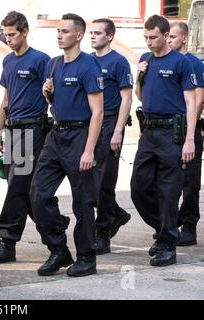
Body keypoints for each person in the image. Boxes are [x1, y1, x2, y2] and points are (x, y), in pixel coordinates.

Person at [30, 13, 104, 277]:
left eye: (64, 31)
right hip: (56, 134)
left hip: (80, 136)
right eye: (58, 31)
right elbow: (56, 102)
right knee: (37, 194)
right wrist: (48, 93)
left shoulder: (88, 66)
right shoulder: (53, 64)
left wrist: (89, 150)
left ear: (79, 35)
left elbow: (97, 112)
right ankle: (58, 249)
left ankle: (86, 257)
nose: (59, 35)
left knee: (82, 201)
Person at [131, 15, 196, 267]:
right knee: (139, 187)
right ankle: (167, 228)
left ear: (166, 35)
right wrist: (139, 76)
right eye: (145, 37)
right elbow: (139, 95)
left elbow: (191, 102)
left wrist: (189, 139)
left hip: (172, 132)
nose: (148, 42)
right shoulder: (145, 60)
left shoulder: (181, 63)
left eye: (153, 37)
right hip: (148, 132)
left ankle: (167, 244)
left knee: (169, 190)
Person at [0, 11, 50, 263]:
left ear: (25, 31)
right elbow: (5, 101)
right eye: (6, 35)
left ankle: (6, 239)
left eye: (13, 34)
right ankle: (54, 223)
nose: (9, 39)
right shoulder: (7, 61)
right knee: (21, 188)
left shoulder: (41, 60)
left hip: (33, 129)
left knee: (18, 184)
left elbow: (51, 95)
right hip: (12, 130)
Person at [90, 18, 133, 254]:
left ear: (109, 36)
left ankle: (103, 232)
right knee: (89, 181)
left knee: (104, 181)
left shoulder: (118, 61)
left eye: (98, 33)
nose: (93, 36)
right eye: (91, 33)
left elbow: (127, 98)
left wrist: (117, 130)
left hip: (110, 122)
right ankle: (116, 214)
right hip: (89, 123)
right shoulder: (86, 60)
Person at [168, 21, 204, 246]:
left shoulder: (194, 64)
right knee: (165, 180)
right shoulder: (162, 61)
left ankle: (189, 225)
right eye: (167, 36)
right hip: (166, 129)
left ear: (183, 38)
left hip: (188, 126)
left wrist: (188, 128)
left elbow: (199, 99)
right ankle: (170, 223)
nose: (168, 40)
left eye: (172, 36)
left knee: (190, 181)